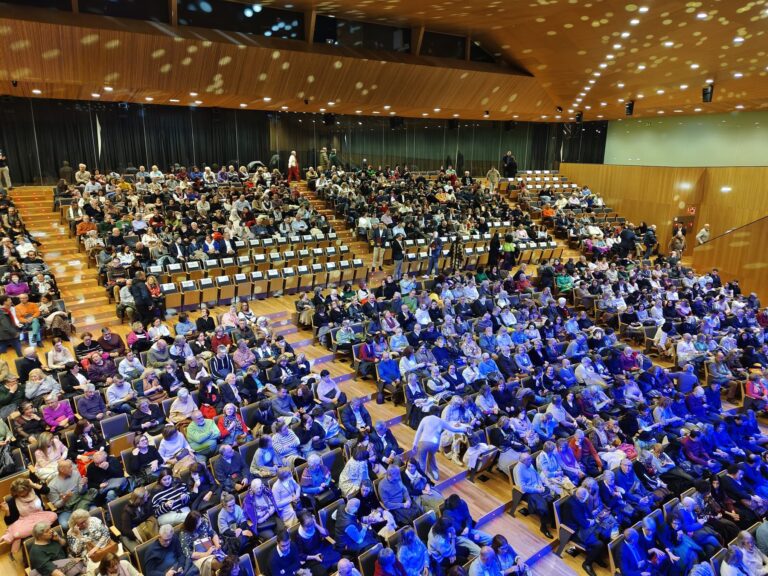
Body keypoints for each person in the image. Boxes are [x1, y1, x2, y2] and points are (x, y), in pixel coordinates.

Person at [0, 476, 59, 554]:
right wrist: (7, 511)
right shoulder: (13, 501)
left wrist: (34, 485)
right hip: (26, 522)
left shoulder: (34, 490)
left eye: (24, 492)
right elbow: (9, 522)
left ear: (28, 488)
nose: (23, 494)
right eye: (20, 493)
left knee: (54, 515)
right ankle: (12, 536)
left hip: (41, 516)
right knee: (18, 533)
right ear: (15, 493)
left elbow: (47, 490)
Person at [412, 414, 469, 481]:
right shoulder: (440, 421)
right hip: (434, 444)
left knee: (422, 462)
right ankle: (435, 473)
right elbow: (453, 429)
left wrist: (414, 444)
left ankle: (422, 479)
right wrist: (464, 429)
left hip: (423, 443)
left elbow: (418, 432)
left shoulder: (425, 419)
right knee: (431, 456)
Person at [512, 451, 553, 539]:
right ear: (523, 461)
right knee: (543, 507)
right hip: (528, 492)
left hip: (537, 487)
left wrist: (540, 485)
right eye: (529, 459)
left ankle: (551, 520)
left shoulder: (529, 464)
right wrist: (536, 490)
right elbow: (523, 488)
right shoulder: (519, 470)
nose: (531, 460)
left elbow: (537, 475)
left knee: (552, 498)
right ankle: (543, 527)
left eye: (530, 458)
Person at [294, 509, 341, 575]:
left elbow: (326, 534)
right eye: (307, 526)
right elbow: (300, 555)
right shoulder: (299, 537)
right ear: (302, 525)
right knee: (322, 572)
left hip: (322, 549)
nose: (310, 528)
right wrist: (314, 557)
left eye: (311, 525)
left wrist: (316, 524)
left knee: (339, 558)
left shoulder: (314, 526)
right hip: (312, 558)